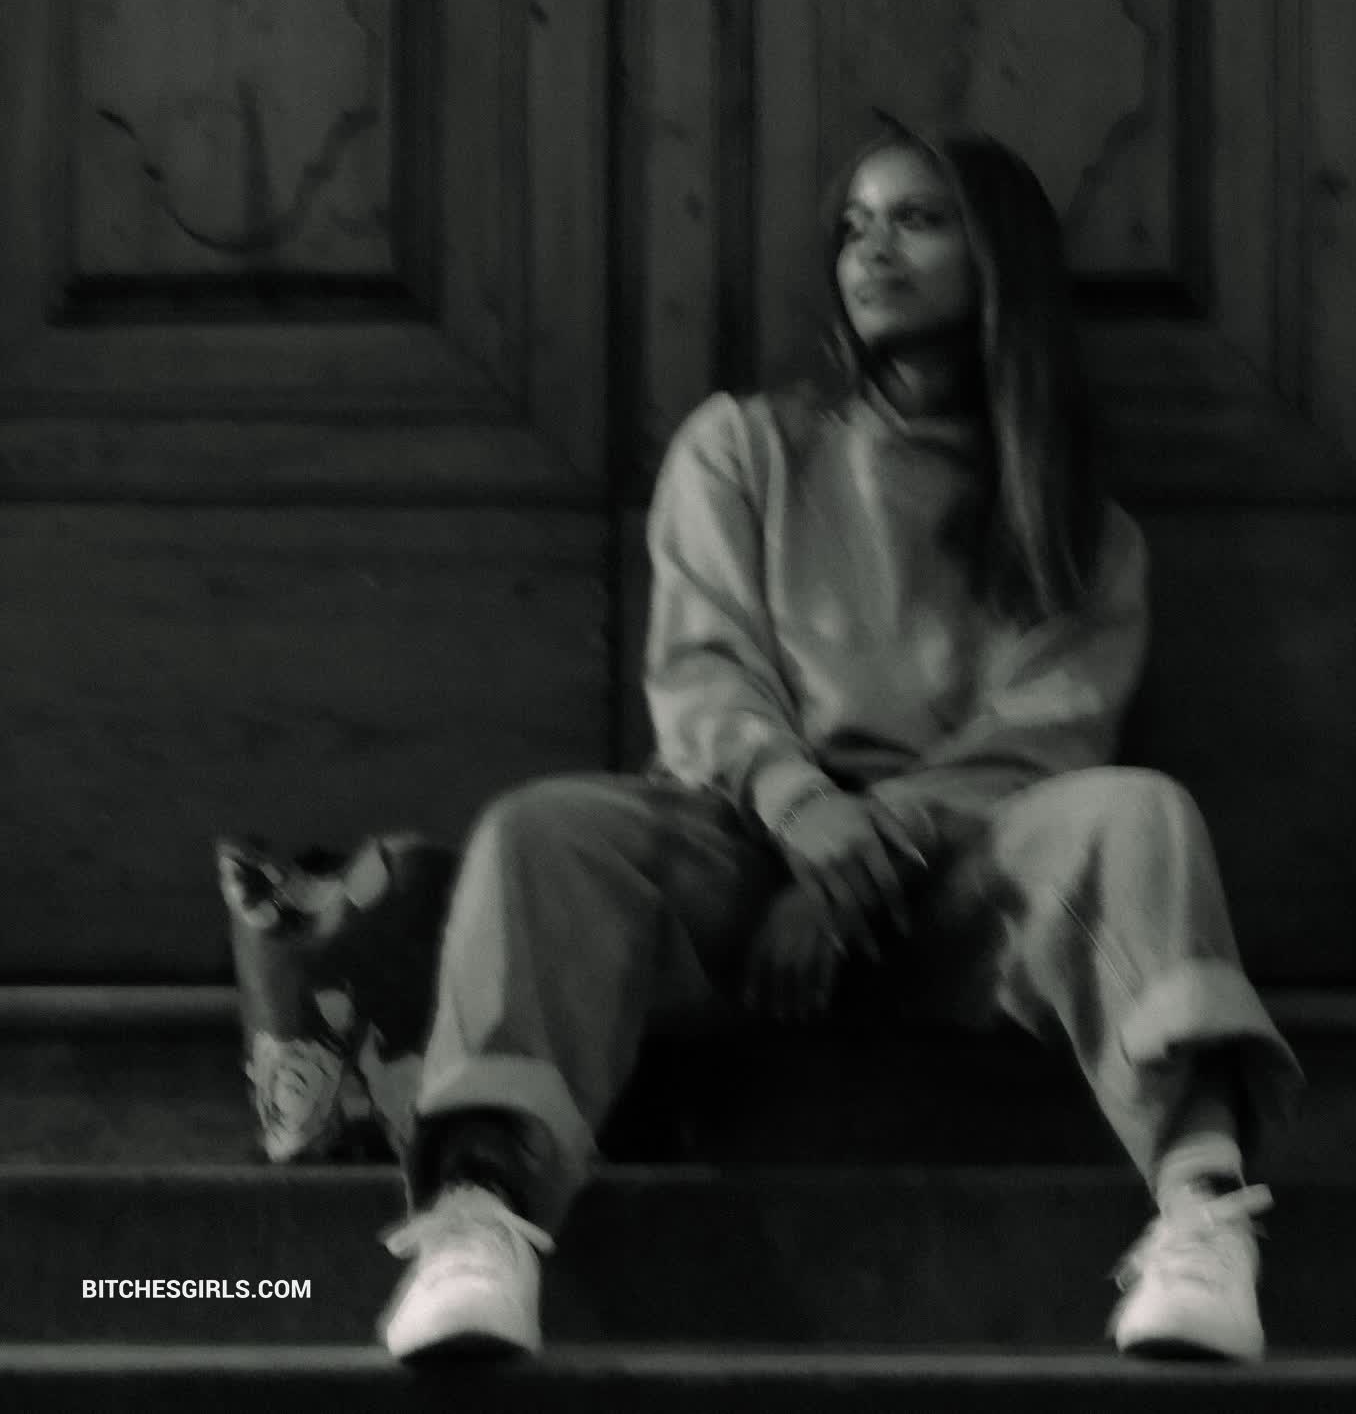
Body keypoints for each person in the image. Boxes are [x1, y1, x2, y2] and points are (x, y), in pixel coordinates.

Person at [378, 120, 1303, 1365]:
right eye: (855, 226)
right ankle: (476, 1219)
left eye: (916, 219)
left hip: (966, 879)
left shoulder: (1081, 523)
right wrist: (802, 813)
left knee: (1139, 812)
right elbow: (704, 671)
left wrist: (862, 864)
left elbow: (1043, 738)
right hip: (745, 851)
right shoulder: (744, 446)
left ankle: (1203, 1214)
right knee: (541, 831)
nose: (872, 250)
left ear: (997, 254)